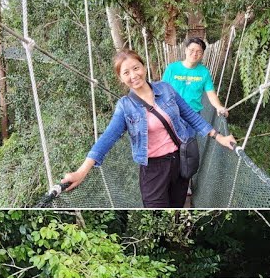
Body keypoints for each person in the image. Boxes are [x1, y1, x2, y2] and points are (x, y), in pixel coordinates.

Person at [62, 49, 237, 208]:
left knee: (177, 207)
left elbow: (190, 115)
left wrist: (219, 137)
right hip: (153, 169)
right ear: (121, 78)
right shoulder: (125, 106)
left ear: (143, 67)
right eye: (126, 72)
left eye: (136, 68)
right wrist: (81, 171)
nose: (133, 75)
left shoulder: (166, 89)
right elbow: (107, 138)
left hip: (180, 160)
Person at [162, 38, 229, 117]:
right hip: (173, 112)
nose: (195, 54)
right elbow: (163, 89)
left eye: (199, 51)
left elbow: (211, 93)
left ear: (202, 55)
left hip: (193, 114)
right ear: (186, 50)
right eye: (192, 50)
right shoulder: (172, 68)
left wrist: (219, 107)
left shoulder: (204, 72)